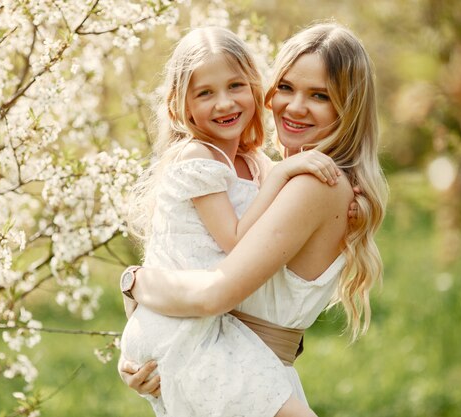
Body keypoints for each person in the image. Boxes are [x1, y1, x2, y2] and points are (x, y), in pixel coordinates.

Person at [119, 21, 388, 411]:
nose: (295, 107)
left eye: (319, 95)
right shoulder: (276, 173)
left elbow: (214, 292)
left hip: (237, 370)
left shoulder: (313, 183)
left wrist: (134, 283)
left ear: (348, 107)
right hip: (220, 363)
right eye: (286, 87)